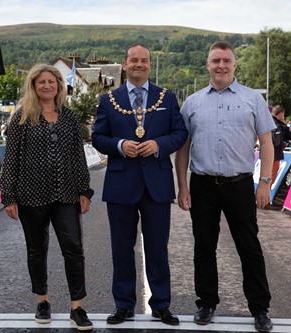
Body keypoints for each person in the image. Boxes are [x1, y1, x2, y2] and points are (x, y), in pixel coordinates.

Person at [174, 41, 274, 332]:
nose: (221, 65)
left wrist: (264, 182)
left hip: (240, 185)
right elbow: (183, 148)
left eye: (226, 61)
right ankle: (206, 303)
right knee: (204, 248)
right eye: (215, 60)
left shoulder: (253, 99)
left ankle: (260, 308)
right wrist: (183, 186)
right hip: (203, 184)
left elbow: (266, 142)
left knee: (249, 247)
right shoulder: (192, 102)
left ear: (234, 65)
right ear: (207, 65)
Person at [92, 44, 187, 326]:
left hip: (156, 183)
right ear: (124, 65)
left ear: (149, 65)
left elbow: (180, 133)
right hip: (122, 183)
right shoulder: (109, 99)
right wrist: (120, 145)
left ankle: (161, 304)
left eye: (144, 60)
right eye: (134, 60)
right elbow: (98, 137)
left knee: (158, 246)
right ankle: (123, 305)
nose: (139, 64)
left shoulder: (166, 98)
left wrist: (159, 144)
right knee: (122, 247)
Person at [0, 64, 94, 331]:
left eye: (51, 81)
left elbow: (78, 158)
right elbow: (12, 160)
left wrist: (84, 191)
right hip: (30, 196)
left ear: (59, 85)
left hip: (66, 195)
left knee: (74, 249)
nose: (47, 86)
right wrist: (8, 196)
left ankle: (77, 307)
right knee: (37, 249)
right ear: (33, 85)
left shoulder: (70, 118)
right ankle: (43, 301)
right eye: (41, 82)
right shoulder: (21, 117)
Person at [270, 105, 291, 185]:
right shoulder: (276, 125)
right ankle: (265, 197)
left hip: (266, 154)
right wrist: (285, 144)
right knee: (271, 178)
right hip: (274, 155)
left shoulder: (268, 121)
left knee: (266, 178)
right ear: (281, 113)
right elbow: (277, 142)